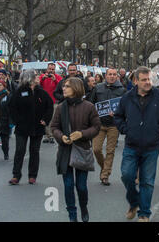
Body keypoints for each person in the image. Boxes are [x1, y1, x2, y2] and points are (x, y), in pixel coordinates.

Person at [115, 67, 159, 222]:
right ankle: (134, 202)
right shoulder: (127, 97)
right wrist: (125, 129)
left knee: (147, 181)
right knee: (127, 175)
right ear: (136, 81)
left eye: (149, 79)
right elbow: (118, 116)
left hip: (151, 146)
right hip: (131, 145)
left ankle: (144, 214)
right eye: (144, 79)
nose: (148, 82)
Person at [51, 77, 101, 222]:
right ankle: (72, 215)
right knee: (68, 185)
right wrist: (61, 137)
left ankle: (83, 207)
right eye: (63, 86)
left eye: (67, 86)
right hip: (65, 151)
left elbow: (96, 127)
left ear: (76, 88)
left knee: (81, 186)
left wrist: (82, 134)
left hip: (82, 150)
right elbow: (54, 127)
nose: (63, 89)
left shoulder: (89, 106)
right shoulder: (61, 107)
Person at [8, 70, 54, 185]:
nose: (38, 77)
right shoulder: (19, 92)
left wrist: (45, 120)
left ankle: (32, 175)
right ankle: (16, 175)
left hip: (37, 127)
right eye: (36, 76)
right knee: (20, 150)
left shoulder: (41, 92)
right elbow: (12, 107)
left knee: (34, 151)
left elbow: (49, 106)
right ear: (30, 78)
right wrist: (17, 121)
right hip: (22, 127)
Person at [89, 68, 126, 186]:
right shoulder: (98, 88)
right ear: (106, 76)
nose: (112, 76)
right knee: (96, 149)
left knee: (110, 151)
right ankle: (105, 167)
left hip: (113, 125)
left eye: (114, 74)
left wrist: (118, 113)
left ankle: (105, 175)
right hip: (99, 123)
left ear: (117, 76)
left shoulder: (122, 90)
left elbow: (125, 108)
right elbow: (91, 103)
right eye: (110, 74)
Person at [40, 63, 63, 144]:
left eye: (53, 69)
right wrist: (42, 79)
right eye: (50, 69)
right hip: (44, 102)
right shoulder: (42, 76)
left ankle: (51, 136)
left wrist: (55, 80)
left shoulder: (58, 77)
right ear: (47, 69)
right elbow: (37, 85)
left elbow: (62, 87)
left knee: (52, 119)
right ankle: (46, 135)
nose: (51, 71)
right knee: (45, 119)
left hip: (54, 102)